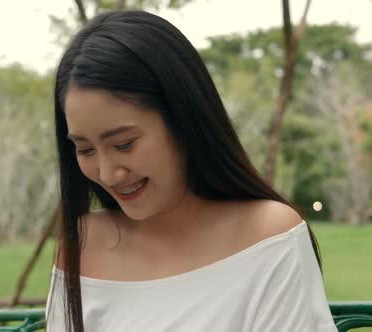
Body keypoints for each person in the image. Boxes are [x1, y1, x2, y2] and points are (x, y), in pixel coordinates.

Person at [45, 10, 337, 332]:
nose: (108, 173)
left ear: (184, 120)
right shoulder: (84, 243)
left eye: (125, 144)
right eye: (85, 149)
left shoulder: (268, 237)